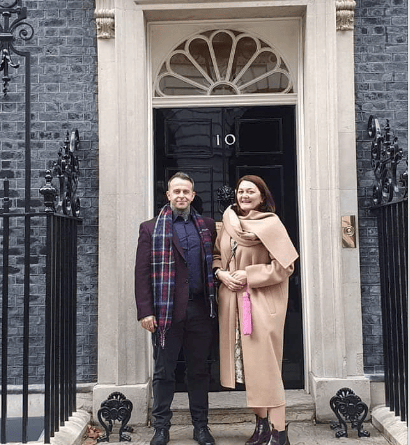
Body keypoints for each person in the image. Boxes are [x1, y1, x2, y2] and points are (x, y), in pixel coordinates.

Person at [213, 175, 298, 445]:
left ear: (262, 196)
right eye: (240, 191)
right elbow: (217, 254)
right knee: (250, 369)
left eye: (251, 191)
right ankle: (261, 427)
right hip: (232, 304)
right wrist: (220, 274)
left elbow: (285, 267)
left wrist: (248, 275)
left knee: (267, 367)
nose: (244, 196)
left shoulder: (271, 224)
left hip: (261, 304)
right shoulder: (228, 222)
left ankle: (279, 432)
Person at [135, 172, 217, 445]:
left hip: (200, 311)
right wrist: (146, 311)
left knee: (198, 371)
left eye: (186, 192)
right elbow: (142, 273)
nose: (181, 195)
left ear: (193, 196)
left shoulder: (207, 226)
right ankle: (161, 428)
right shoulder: (150, 228)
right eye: (176, 191)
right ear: (168, 195)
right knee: (163, 373)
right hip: (165, 314)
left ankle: (201, 427)